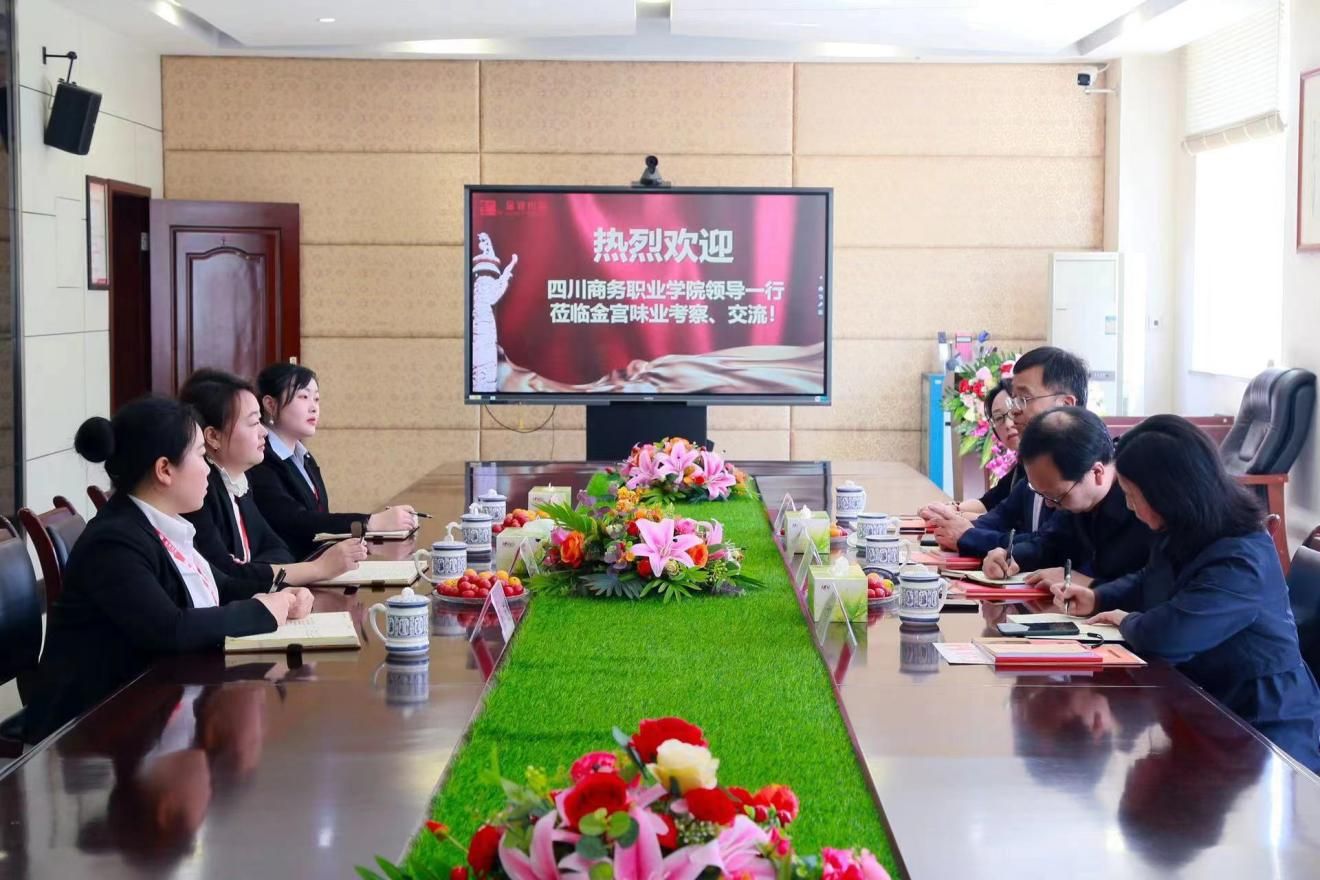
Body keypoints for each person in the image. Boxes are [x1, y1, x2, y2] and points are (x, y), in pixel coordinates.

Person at [22, 397, 314, 743]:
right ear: (164, 470)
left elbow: (221, 585)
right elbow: (168, 628)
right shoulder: (114, 542)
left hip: (148, 704)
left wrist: (282, 595)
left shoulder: (159, 523)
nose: (208, 469)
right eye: (201, 456)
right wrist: (261, 612)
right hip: (90, 730)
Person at [1052, 415, 1320, 771]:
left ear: (1169, 494)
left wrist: (1127, 621)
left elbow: (1170, 636)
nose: (1129, 507)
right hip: (1207, 706)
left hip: (1264, 729)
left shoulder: (1242, 558)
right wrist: (1100, 597)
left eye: (1132, 496)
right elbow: (1152, 578)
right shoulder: (1184, 529)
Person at [179, 369, 367, 585]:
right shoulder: (199, 493)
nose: (264, 432)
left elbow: (278, 549)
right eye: (253, 423)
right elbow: (226, 576)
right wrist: (318, 569)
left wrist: (254, 570)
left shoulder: (239, 483)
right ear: (213, 436)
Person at [247, 363, 416, 558]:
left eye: (316, 399)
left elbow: (320, 524)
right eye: (303, 397)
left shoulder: (304, 458)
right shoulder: (260, 458)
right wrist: (372, 522)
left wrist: (377, 535)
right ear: (270, 404)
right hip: (287, 569)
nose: (313, 408)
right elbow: (294, 521)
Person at [983, 406, 1154, 588]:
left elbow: (1160, 585)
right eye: (1041, 494)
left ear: (1097, 472)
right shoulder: (1074, 499)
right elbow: (1052, 544)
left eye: (1056, 496)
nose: (1049, 504)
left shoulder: (1146, 500)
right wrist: (1010, 556)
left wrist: (1092, 585)